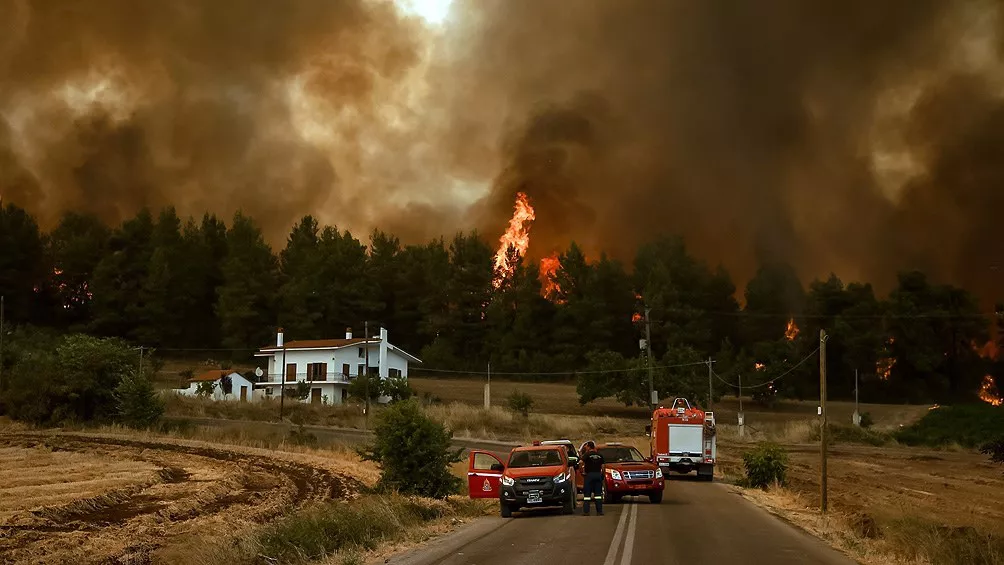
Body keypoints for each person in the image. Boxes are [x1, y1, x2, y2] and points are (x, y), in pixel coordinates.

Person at [581, 441, 605, 516]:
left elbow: (580, 462)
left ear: (589, 446)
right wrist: (602, 475)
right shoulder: (600, 455)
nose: (585, 448)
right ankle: (599, 511)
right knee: (598, 495)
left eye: (586, 446)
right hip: (598, 475)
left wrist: (582, 471)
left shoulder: (586, 454)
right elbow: (603, 467)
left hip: (589, 475)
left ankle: (586, 511)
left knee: (587, 495)